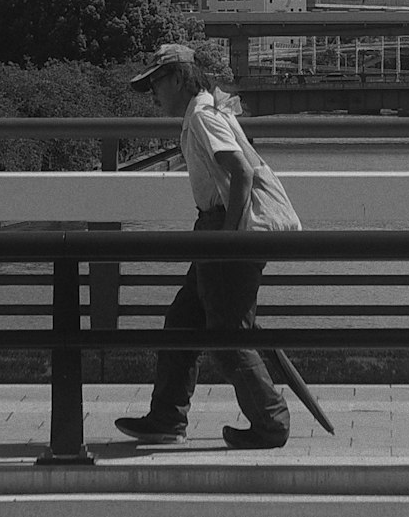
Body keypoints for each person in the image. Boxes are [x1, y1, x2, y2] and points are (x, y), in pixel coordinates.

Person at [114, 40, 297, 449]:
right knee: (182, 324)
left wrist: (227, 239)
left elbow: (242, 174)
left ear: (179, 77)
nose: (154, 94)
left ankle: (271, 423)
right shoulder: (205, 109)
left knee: (228, 337)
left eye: (157, 83)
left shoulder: (202, 115)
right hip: (214, 228)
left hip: (225, 230)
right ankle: (166, 419)